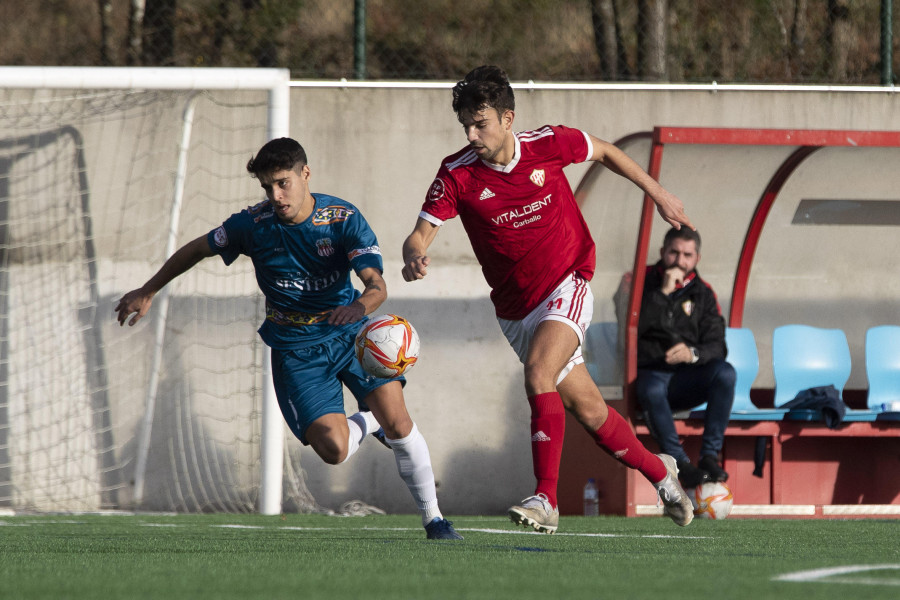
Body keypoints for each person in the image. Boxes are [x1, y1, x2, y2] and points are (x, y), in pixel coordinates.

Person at [115, 137, 462, 540]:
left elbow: (376, 285)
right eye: (267, 187)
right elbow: (198, 249)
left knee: (400, 423)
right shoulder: (252, 225)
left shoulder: (341, 218)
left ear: (305, 174)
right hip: (295, 346)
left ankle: (435, 520)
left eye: (283, 183)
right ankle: (369, 421)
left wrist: (360, 308)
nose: (276, 195)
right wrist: (149, 289)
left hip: (349, 332)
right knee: (333, 451)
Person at [401, 65, 696, 532]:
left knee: (538, 372)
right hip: (517, 311)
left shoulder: (549, 144)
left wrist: (657, 192)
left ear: (508, 118)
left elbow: (604, 151)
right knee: (591, 411)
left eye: (481, 124)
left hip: (567, 281)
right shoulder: (456, 174)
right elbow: (418, 236)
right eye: (466, 127)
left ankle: (546, 498)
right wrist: (414, 257)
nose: (472, 134)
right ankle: (663, 474)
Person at [635, 227, 735, 488]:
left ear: (697, 259)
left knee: (725, 373)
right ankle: (680, 463)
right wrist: (664, 293)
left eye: (687, 255)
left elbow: (717, 345)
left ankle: (710, 456)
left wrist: (692, 354)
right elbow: (638, 324)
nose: (680, 261)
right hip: (649, 374)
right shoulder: (638, 282)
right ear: (662, 252)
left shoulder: (704, 292)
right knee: (653, 388)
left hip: (685, 379)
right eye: (674, 252)